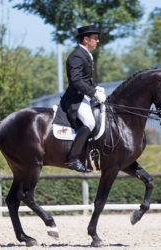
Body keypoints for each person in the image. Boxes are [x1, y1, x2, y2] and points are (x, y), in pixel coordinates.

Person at [60, 25, 106, 173]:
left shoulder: (86, 54)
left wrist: (95, 88)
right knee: (90, 122)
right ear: (86, 39)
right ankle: (73, 159)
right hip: (75, 99)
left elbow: (85, 79)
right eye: (95, 38)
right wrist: (93, 92)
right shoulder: (77, 55)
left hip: (84, 96)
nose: (97, 41)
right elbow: (76, 80)